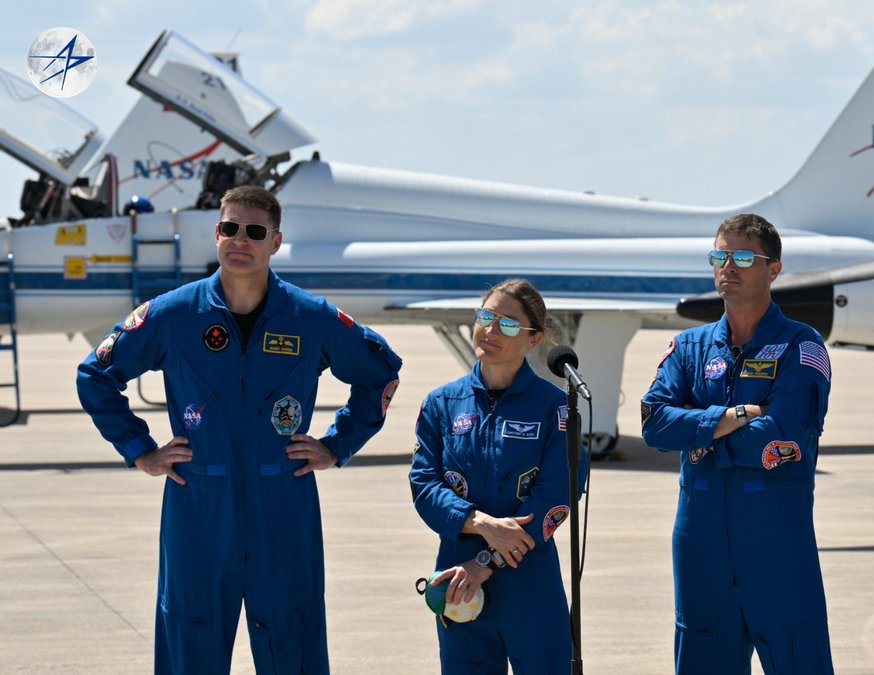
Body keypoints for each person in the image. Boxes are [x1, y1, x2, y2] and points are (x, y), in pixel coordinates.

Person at [76, 186, 403, 674]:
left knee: (294, 637)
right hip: (199, 505)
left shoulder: (310, 317)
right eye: (230, 228)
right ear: (217, 234)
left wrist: (337, 445)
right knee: (191, 636)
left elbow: (381, 371)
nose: (240, 240)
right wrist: (141, 451)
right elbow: (95, 375)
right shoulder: (173, 314)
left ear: (275, 242)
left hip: (284, 506)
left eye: (254, 231)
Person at [641, 214, 835, 675]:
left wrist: (700, 440)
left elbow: (779, 438)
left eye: (743, 257)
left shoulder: (800, 347)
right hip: (699, 538)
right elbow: (654, 424)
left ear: (774, 270)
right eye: (720, 256)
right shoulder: (689, 347)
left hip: (775, 540)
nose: (728, 266)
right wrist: (727, 419)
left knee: (797, 657)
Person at [409, 278, 575, 674]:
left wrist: (487, 561)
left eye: (509, 324)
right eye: (486, 316)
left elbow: (558, 493)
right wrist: (479, 523)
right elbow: (424, 484)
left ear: (533, 341)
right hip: (457, 576)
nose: (491, 330)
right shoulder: (441, 404)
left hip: (528, 578)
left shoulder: (556, 409)